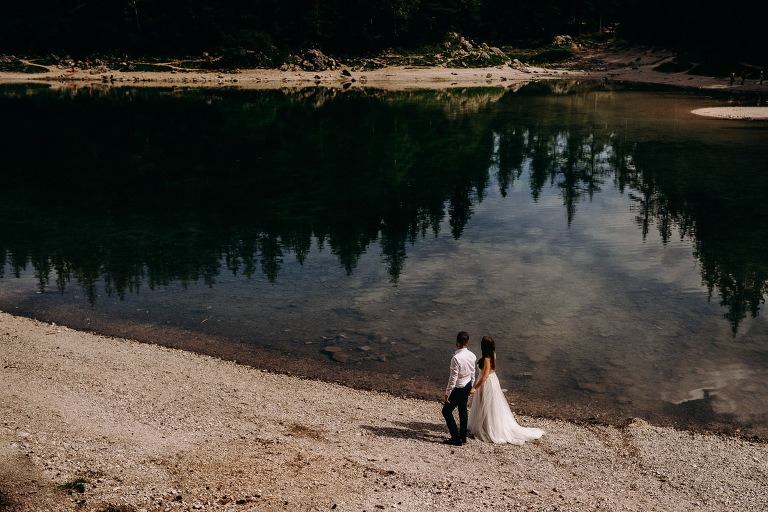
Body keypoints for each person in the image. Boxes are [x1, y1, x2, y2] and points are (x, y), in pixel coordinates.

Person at [468, 336, 544, 445]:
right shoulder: (493, 355)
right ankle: (488, 426)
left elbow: (484, 376)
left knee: (486, 405)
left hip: (487, 383)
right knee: (491, 406)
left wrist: (475, 387)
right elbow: (491, 371)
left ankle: (487, 428)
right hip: (493, 380)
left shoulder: (486, 358)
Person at [442, 331, 476, 446]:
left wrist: (447, 393)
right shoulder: (472, 355)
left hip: (459, 387)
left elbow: (453, 378)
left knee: (446, 411)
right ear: (467, 342)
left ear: (457, 342)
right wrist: (472, 385)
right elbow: (473, 372)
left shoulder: (456, 358)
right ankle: (463, 437)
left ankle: (456, 438)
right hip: (467, 385)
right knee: (463, 411)